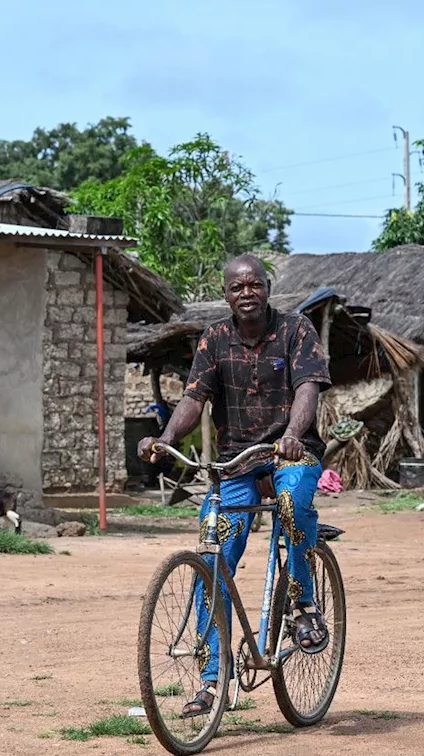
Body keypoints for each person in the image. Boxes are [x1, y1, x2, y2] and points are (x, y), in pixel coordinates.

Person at [137, 254, 332, 718]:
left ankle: (303, 604)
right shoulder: (215, 339)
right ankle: (212, 681)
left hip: (290, 453)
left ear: (267, 288)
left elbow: (307, 388)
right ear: (226, 294)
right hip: (236, 464)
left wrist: (292, 435)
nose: (246, 293)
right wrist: (165, 441)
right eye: (236, 287)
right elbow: (194, 398)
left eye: (254, 285)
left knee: (291, 502)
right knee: (213, 557)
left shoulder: (296, 330)